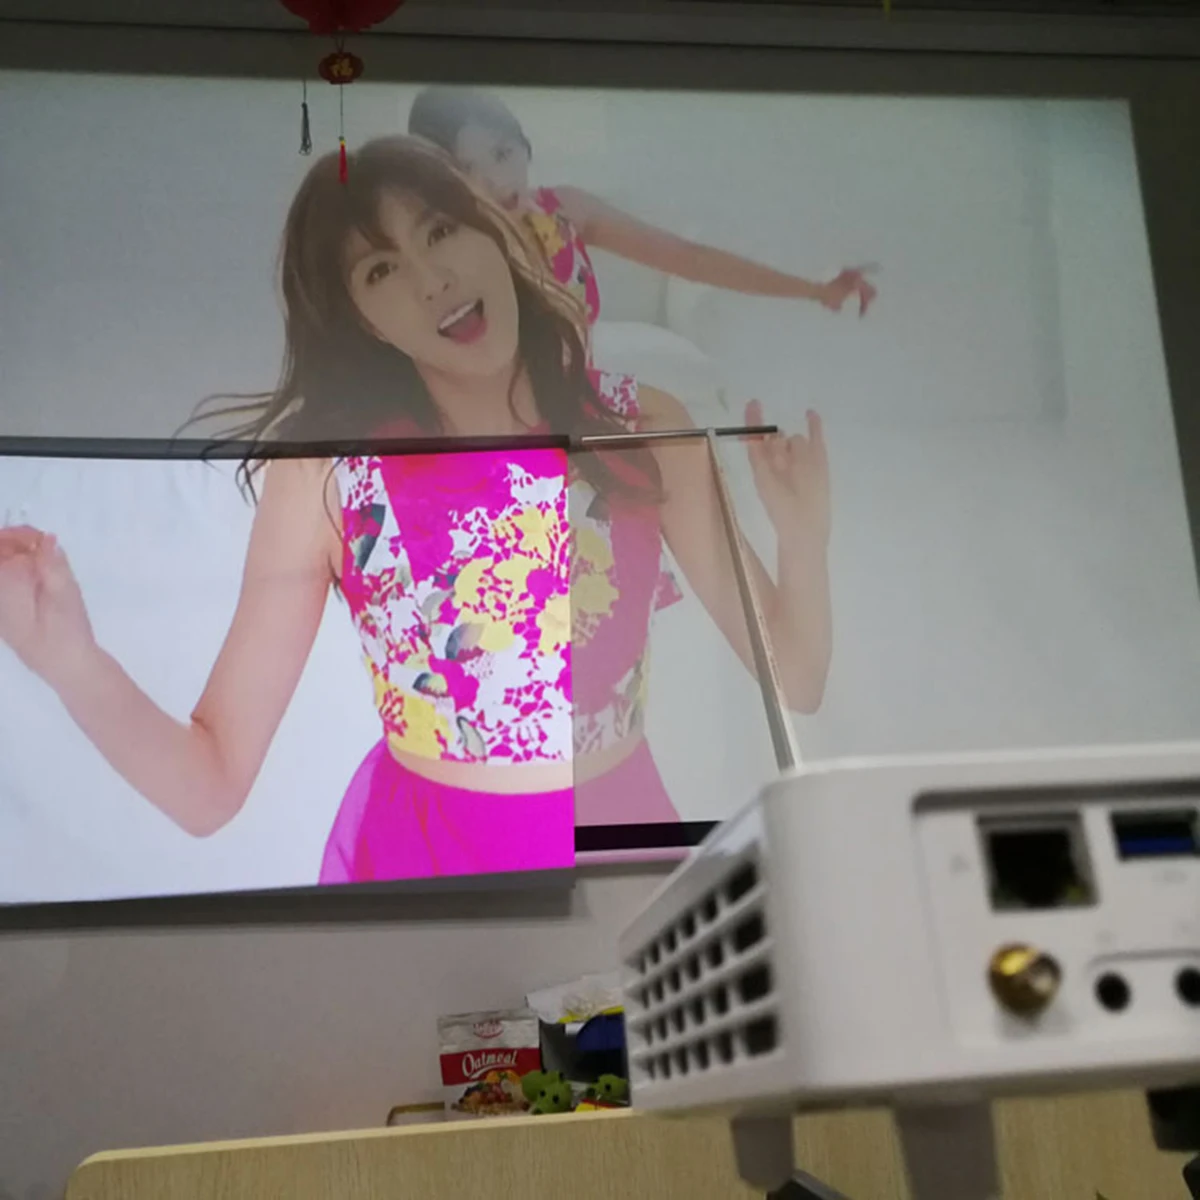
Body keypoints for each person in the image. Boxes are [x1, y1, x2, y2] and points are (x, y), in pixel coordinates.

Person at [0, 136, 832, 884]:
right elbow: (208, 786)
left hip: (620, 854)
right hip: (427, 871)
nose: (431, 278)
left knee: (616, 1017)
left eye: (439, 232)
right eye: (380, 270)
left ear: (492, 235)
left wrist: (803, 539)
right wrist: (69, 657)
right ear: (361, 321)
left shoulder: (644, 424)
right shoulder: (330, 477)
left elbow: (795, 676)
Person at [407, 86, 877, 331]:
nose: (495, 181)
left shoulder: (566, 209)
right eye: (467, 169)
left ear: (522, 145)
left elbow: (689, 259)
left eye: (502, 153)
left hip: (581, 409)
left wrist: (814, 290)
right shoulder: (445, 253)